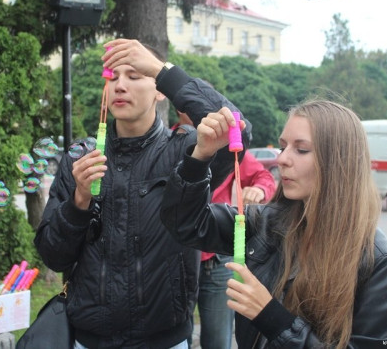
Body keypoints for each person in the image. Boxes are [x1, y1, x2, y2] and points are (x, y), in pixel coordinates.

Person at [34, 38, 249, 348]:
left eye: (135, 75)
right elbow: (53, 256)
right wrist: (79, 202)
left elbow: (238, 130)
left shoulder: (186, 151)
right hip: (90, 341)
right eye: (113, 77)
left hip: (165, 340)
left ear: (159, 89)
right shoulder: (81, 159)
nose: (120, 86)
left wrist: (165, 72)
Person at [161, 99, 387, 348]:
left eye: (301, 150)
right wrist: (199, 157)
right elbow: (185, 222)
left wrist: (271, 317)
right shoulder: (266, 223)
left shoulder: (380, 263)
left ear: (339, 161)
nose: (282, 159)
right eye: (283, 147)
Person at [174, 111, 276, 349]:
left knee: (219, 340)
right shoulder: (169, 141)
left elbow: (263, 176)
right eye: (191, 104)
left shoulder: (223, 142)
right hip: (175, 259)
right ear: (179, 109)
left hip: (216, 260)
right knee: (177, 337)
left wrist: (259, 190)